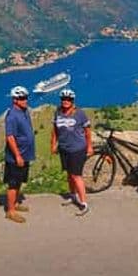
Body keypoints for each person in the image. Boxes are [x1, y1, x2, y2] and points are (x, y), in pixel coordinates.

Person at [50, 88, 93, 216]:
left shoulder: (80, 114)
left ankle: (84, 203)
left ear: (72, 101)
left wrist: (89, 146)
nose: (65, 101)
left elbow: (88, 132)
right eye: (63, 99)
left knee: (76, 175)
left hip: (77, 149)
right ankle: (72, 195)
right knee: (69, 174)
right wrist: (53, 144)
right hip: (64, 148)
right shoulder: (57, 112)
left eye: (68, 99)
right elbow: (54, 131)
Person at [4, 85, 35, 223]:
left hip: (25, 154)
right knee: (13, 183)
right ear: (15, 100)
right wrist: (17, 155)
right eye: (21, 98)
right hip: (16, 156)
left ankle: (15, 203)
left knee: (20, 181)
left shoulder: (24, 111)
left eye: (26, 97)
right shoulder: (12, 116)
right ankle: (10, 211)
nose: (25, 100)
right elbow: (10, 137)